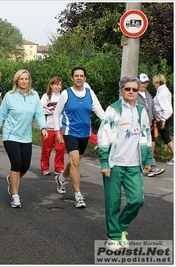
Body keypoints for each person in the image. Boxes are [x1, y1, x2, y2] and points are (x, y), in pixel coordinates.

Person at [97, 75, 152, 252]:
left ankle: (120, 227)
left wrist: (147, 159)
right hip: (114, 164)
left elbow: (146, 136)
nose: (131, 92)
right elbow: (104, 136)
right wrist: (104, 162)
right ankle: (113, 236)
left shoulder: (142, 111)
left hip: (134, 164)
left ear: (138, 91)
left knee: (137, 200)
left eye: (134, 89)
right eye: (127, 89)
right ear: (121, 91)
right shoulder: (113, 110)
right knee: (112, 202)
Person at [0, 69, 48, 208]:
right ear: (17, 81)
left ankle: (11, 179)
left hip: (26, 136)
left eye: (26, 79)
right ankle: (15, 196)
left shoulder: (34, 96)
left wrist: (43, 127)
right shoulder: (10, 97)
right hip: (11, 136)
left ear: (29, 81)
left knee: (25, 166)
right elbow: (0, 116)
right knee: (16, 164)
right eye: (21, 79)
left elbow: (39, 114)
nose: (24, 81)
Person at [53, 67, 105, 208]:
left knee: (75, 161)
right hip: (70, 132)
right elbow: (57, 113)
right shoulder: (66, 93)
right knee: (75, 163)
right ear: (72, 78)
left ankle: (61, 177)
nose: (79, 78)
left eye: (81, 76)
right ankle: (78, 196)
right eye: (76, 75)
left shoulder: (90, 93)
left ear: (85, 78)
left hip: (85, 134)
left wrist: (110, 123)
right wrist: (58, 132)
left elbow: (99, 111)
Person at [136, 73, 165, 177]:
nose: (144, 85)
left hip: (147, 126)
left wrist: (157, 116)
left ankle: (151, 167)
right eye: (142, 83)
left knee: (146, 146)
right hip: (137, 126)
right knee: (143, 147)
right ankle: (150, 167)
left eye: (146, 82)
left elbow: (152, 108)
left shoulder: (147, 94)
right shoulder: (134, 94)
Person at [40, 76, 66, 176]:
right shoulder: (45, 96)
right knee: (46, 149)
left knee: (61, 148)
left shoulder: (64, 96)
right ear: (51, 85)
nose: (58, 87)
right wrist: (53, 109)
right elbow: (41, 109)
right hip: (48, 127)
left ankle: (59, 168)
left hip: (60, 127)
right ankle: (44, 167)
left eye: (60, 85)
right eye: (56, 84)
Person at [152, 74, 174, 165]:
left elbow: (168, 109)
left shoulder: (162, 93)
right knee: (165, 137)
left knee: (153, 137)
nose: (153, 84)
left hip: (161, 117)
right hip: (163, 117)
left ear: (158, 82)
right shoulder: (163, 90)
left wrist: (163, 120)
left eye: (154, 82)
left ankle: (150, 159)